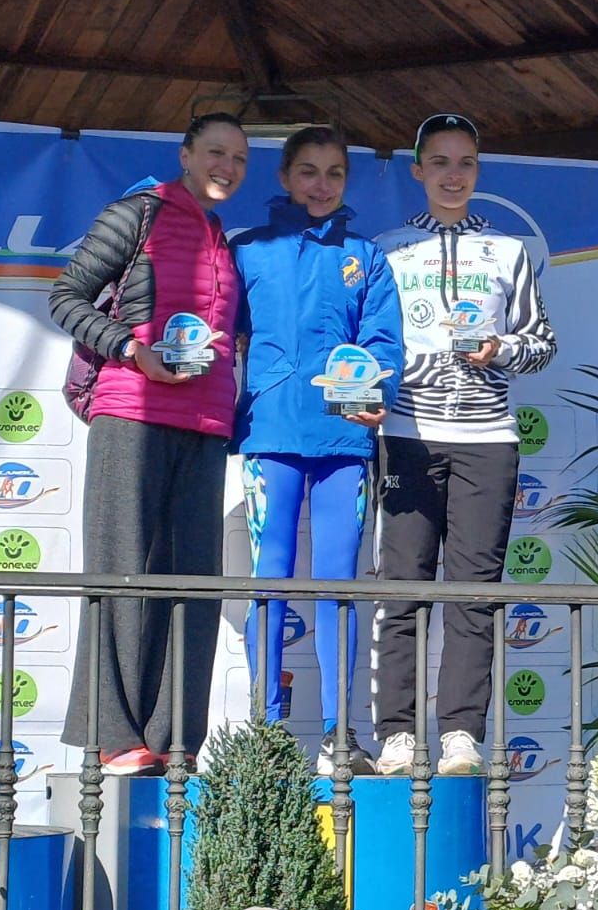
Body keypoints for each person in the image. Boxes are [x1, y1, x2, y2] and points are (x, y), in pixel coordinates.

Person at [52, 113, 247, 774]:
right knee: (122, 568)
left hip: (206, 426)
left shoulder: (223, 238)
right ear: (187, 154)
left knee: (193, 584)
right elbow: (67, 296)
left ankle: (173, 740)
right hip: (131, 410)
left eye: (239, 159)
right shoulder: (139, 212)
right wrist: (131, 351)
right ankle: (114, 734)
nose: (226, 166)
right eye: (216, 152)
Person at [372, 113, 557, 776]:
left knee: (475, 591)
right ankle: (395, 733)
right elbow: (370, 343)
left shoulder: (508, 251)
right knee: (403, 588)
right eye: (441, 162)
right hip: (407, 433)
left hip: (487, 438)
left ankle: (459, 734)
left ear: (478, 172)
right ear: (418, 170)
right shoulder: (386, 249)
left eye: (466, 163)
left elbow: (542, 344)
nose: (453, 175)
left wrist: (499, 348)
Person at [232, 126, 402, 776]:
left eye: (334, 173)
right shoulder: (249, 251)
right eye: (309, 171)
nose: (321, 184)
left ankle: (340, 733)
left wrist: (377, 386)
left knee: (338, 587)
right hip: (269, 436)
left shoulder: (366, 256)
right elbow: (219, 333)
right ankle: (266, 734)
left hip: (343, 440)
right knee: (269, 584)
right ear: (284, 177)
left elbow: (384, 343)